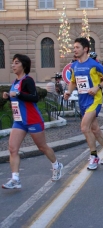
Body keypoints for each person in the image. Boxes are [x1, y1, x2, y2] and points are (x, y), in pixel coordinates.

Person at [2, 54, 63, 189]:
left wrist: (17, 94)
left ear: (23, 65)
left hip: (32, 120)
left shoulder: (27, 80)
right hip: (19, 121)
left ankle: (56, 165)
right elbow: (18, 100)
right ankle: (15, 179)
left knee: (42, 147)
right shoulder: (15, 82)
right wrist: (8, 97)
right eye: (13, 63)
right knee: (12, 149)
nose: (13, 65)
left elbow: (34, 98)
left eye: (16, 63)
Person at [64, 38, 103, 170]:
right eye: (74, 47)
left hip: (94, 101)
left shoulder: (94, 64)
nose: (74, 50)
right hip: (82, 101)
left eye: (77, 47)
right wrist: (68, 92)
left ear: (85, 49)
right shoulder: (74, 65)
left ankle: (94, 156)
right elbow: (73, 81)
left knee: (84, 127)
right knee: (96, 130)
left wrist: (97, 87)